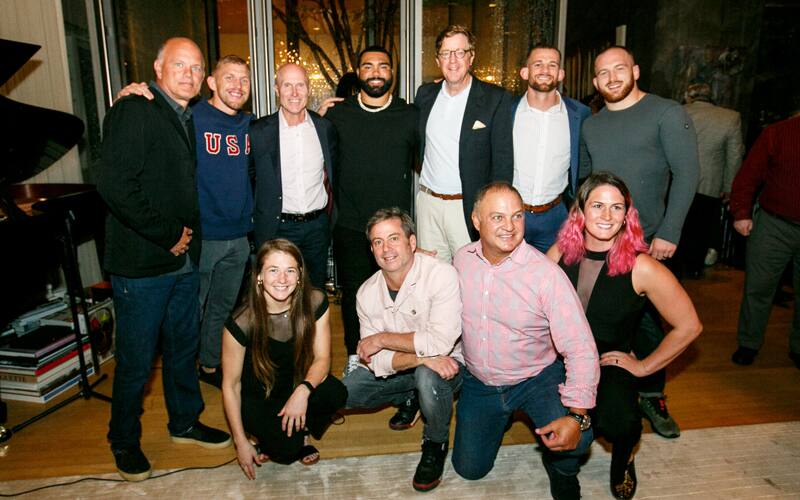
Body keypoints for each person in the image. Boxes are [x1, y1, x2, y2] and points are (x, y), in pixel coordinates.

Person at [97, 37, 231, 482]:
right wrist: (169, 234)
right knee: (136, 359)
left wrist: (182, 242)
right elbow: (116, 187)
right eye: (180, 65)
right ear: (157, 68)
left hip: (182, 262)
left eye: (196, 67)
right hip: (143, 264)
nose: (189, 74)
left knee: (182, 349)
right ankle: (123, 440)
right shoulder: (134, 109)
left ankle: (185, 422)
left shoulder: (184, 114)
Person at [547, 172, 702, 499]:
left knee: (620, 423)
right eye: (598, 205)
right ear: (580, 211)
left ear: (626, 215)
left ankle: (624, 457)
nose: (606, 216)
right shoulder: (561, 251)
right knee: (551, 420)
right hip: (560, 360)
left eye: (616, 208)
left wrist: (645, 367)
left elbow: (689, 325)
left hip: (607, 361)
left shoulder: (641, 266)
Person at [579, 45, 699, 438]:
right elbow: (584, 182)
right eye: (603, 73)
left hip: (649, 241)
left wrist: (669, 231)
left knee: (652, 326)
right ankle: (608, 387)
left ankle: (652, 393)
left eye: (619, 69)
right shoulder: (592, 125)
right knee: (610, 319)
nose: (612, 78)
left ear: (636, 70)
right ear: (595, 82)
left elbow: (687, 174)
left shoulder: (666, 113)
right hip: (601, 239)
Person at [452, 182, 599, 500]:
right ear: (476, 221)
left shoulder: (545, 274)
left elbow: (580, 347)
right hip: (481, 382)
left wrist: (576, 415)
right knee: (469, 469)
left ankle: (562, 470)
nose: (509, 227)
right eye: (498, 217)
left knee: (580, 439)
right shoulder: (461, 260)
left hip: (537, 378)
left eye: (517, 216)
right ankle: (497, 418)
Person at [116, 55, 255, 387]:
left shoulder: (252, 124)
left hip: (239, 238)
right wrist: (130, 94)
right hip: (200, 237)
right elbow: (150, 117)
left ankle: (208, 365)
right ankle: (183, 377)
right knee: (189, 313)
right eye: (230, 77)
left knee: (221, 309)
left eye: (244, 80)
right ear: (211, 82)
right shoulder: (190, 118)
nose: (237, 85)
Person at [342, 208, 463, 492]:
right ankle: (410, 397)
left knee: (427, 377)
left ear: (411, 242)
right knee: (347, 390)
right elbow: (376, 362)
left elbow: (441, 342)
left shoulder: (441, 275)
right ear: (371, 249)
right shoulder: (366, 293)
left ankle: (435, 444)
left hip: (452, 365)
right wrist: (423, 357)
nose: (386, 249)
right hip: (410, 363)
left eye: (394, 238)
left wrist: (383, 338)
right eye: (378, 242)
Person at [319, 46, 419, 377]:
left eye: (383, 66)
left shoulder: (410, 115)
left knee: (401, 300)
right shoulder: (337, 116)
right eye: (368, 66)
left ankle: (402, 370)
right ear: (358, 73)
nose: (376, 72)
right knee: (354, 299)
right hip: (350, 226)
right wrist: (317, 117)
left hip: (395, 230)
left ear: (393, 73)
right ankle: (356, 359)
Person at [221, 239, 347, 479]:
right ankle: (260, 434)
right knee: (286, 452)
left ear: (300, 275)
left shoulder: (315, 301)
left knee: (335, 393)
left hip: (295, 382)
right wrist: (240, 442)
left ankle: (304, 428)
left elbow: (322, 359)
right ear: (259, 275)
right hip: (261, 394)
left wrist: (303, 391)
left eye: (290, 270)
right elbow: (230, 385)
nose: (282, 279)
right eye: (273, 270)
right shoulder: (241, 323)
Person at [415, 24, 514, 262]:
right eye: (446, 53)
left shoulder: (495, 98)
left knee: (471, 278)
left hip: (468, 208)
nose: (452, 60)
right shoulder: (424, 95)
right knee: (433, 278)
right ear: (437, 59)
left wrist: (493, 213)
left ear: (471, 57)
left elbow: (502, 161)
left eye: (460, 52)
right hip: (428, 204)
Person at [250, 63, 338, 289]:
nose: (294, 92)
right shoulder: (259, 131)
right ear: (277, 89)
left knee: (314, 293)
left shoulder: (324, 128)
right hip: (278, 227)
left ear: (309, 89)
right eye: (287, 85)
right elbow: (248, 178)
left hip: (317, 228)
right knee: (277, 292)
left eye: (300, 85)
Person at [729, 111, 800, 369]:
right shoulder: (778, 132)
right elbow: (749, 174)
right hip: (774, 224)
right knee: (758, 287)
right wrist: (741, 212)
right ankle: (749, 343)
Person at [513, 45, 591, 252]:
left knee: (552, 279)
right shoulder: (506, 111)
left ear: (561, 74)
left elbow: (584, 165)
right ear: (525, 72)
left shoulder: (579, 114)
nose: (545, 70)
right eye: (537, 64)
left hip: (555, 216)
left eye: (552, 65)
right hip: (510, 214)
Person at [680, 82, 744, 277]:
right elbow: (734, 157)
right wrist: (728, 187)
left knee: (678, 226)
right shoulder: (730, 118)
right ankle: (693, 270)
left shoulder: (679, 112)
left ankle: (674, 269)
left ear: (689, 96)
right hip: (710, 184)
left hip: (677, 182)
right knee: (701, 229)